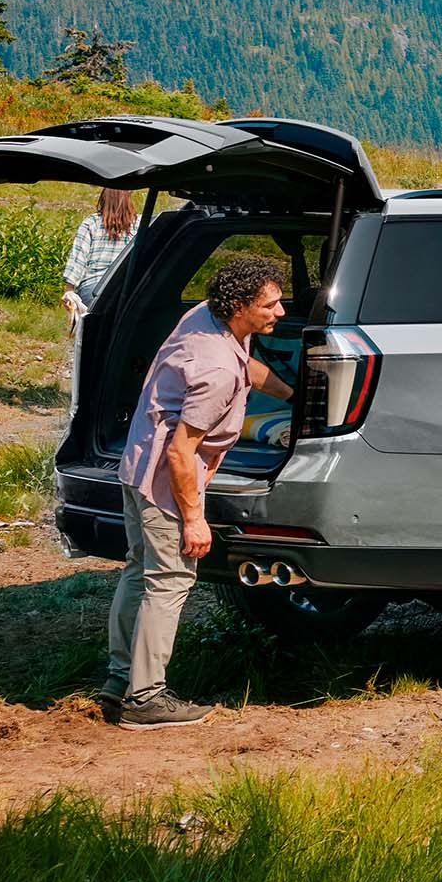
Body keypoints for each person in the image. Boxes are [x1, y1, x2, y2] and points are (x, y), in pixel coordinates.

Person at [102, 258, 294, 729]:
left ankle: (119, 682)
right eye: (270, 304)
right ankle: (145, 699)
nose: (282, 312)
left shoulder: (207, 317)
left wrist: (296, 396)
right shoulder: (215, 373)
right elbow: (180, 452)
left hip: (135, 465)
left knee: (140, 571)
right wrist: (193, 518)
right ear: (241, 307)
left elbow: (247, 364)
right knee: (170, 582)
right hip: (166, 478)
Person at [62, 188, 138, 324]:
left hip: (92, 290)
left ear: (104, 199)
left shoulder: (91, 223)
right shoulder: (138, 225)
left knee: (90, 333)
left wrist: (69, 291)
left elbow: (78, 259)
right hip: (125, 289)